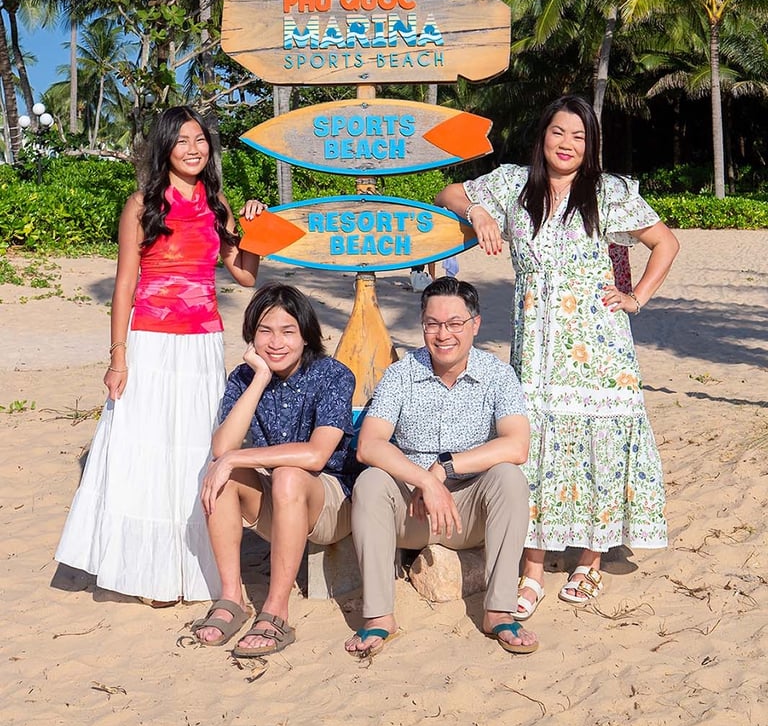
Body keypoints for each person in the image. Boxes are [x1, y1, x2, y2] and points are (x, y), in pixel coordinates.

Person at [435, 95, 679, 615]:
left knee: (602, 450)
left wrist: (636, 297)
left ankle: (589, 561)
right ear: (542, 137)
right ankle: (532, 571)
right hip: (535, 352)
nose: (567, 145)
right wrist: (479, 212)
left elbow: (665, 243)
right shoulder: (512, 184)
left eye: (579, 137)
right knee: (535, 450)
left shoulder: (609, 193)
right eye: (558, 133)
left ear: (590, 146)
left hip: (601, 351)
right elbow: (448, 190)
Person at [55, 106, 262, 604]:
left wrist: (255, 228)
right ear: (165, 147)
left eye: (201, 140)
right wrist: (118, 356)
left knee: (195, 447)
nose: (194, 149)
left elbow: (247, 275)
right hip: (148, 340)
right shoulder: (141, 204)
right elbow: (125, 283)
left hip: (202, 342)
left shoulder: (218, 205)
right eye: (183, 141)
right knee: (146, 448)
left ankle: (193, 568)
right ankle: (149, 574)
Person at [345, 276, 538, 658]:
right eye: (433, 323)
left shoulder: (497, 375)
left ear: (475, 325)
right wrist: (424, 480)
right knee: (370, 483)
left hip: (468, 511)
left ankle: (498, 610)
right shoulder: (402, 374)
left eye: (454, 324)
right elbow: (369, 444)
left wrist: (445, 468)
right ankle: (380, 616)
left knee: (509, 478)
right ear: (422, 325)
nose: (443, 334)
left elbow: (517, 445)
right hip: (412, 508)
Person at [192, 283, 358, 657]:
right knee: (221, 472)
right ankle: (232, 598)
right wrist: (260, 379)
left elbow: (317, 456)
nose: (276, 342)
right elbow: (222, 447)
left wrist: (237, 458)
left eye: (288, 332)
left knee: (284, 473)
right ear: (251, 336)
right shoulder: (243, 377)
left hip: (330, 502)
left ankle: (276, 610)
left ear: (305, 335)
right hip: (278, 501)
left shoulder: (333, 375)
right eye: (265, 331)